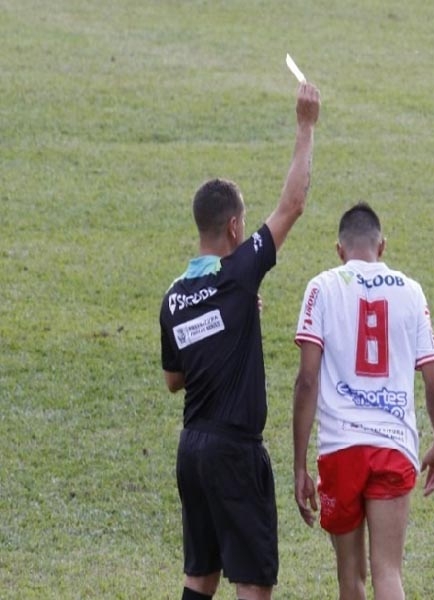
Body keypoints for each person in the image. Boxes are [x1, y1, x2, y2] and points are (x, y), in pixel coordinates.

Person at [159, 81, 321, 600]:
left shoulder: (174, 296)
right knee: (253, 582)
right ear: (234, 228)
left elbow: (173, 380)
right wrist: (305, 125)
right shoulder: (236, 274)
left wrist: (227, 326)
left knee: (199, 577)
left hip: (193, 449)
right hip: (233, 451)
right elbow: (293, 204)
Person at [292, 202, 434, 600]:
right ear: (382, 247)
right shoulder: (411, 292)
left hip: (340, 450)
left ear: (339, 249)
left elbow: (307, 380)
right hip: (393, 446)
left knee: (351, 579)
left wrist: (298, 466)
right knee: (388, 573)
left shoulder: (321, 287)